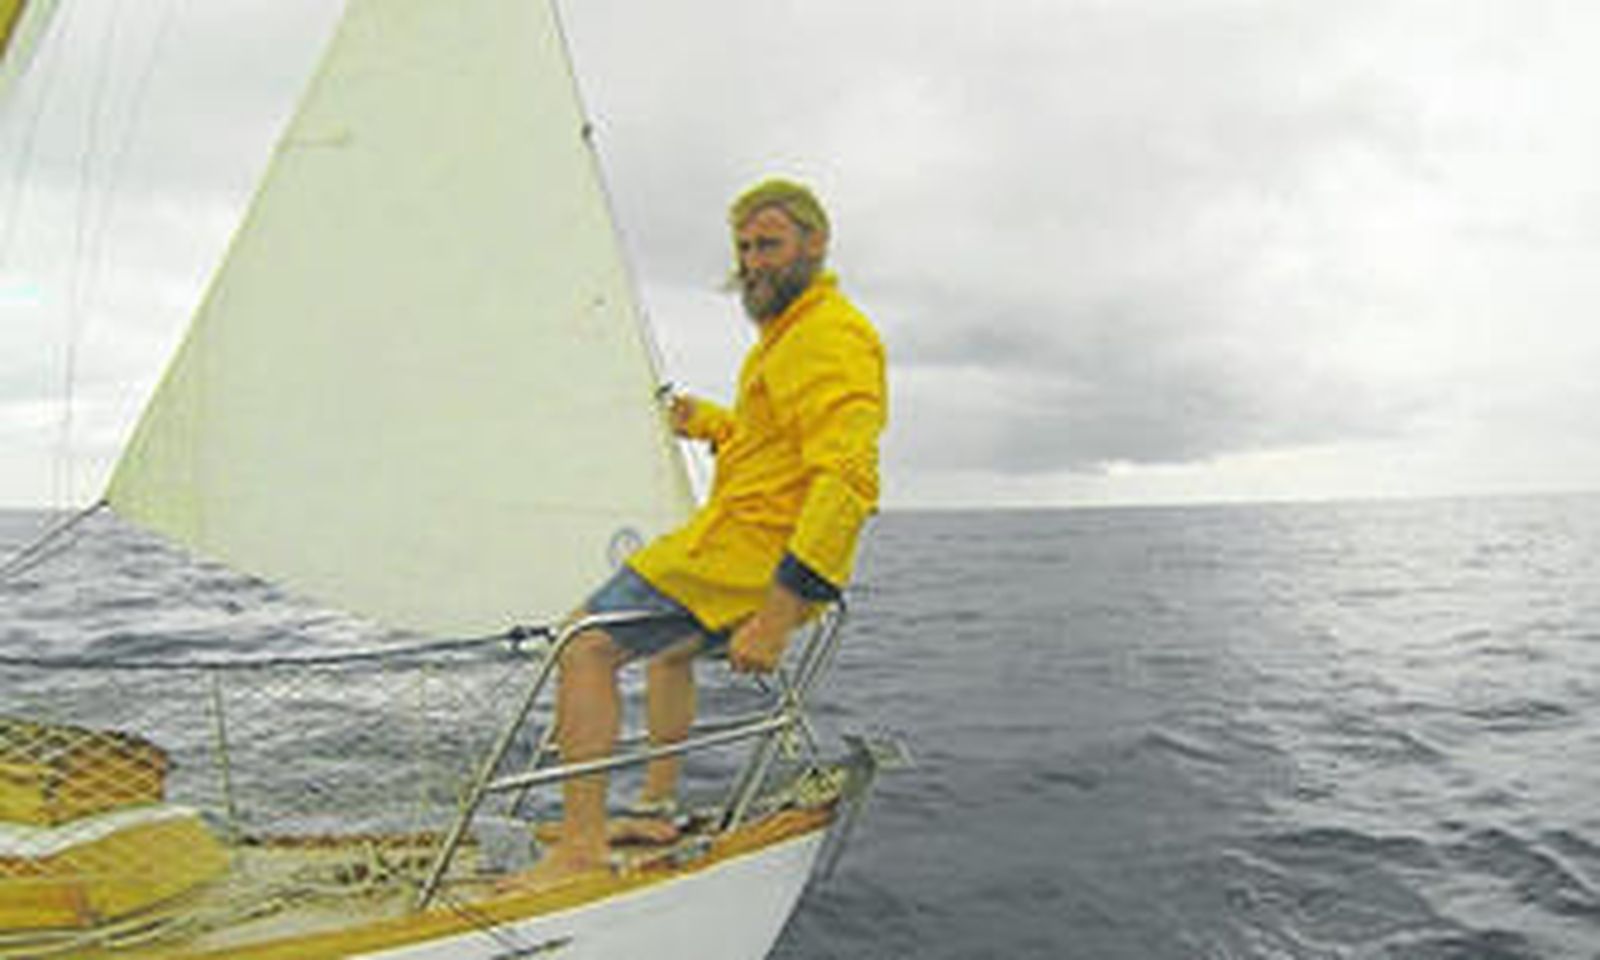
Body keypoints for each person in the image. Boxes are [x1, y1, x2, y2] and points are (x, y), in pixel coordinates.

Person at [522, 178, 887, 886]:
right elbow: (773, 444)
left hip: (747, 562)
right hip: (739, 554)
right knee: (667, 655)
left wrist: (776, 618)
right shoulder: (789, 338)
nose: (752, 262)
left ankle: (578, 851)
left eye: (769, 245)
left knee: (583, 647)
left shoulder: (829, 337)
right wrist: (712, 423)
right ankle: (655, 809)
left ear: (816, 244)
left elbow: (846, 479)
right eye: (744, 248)